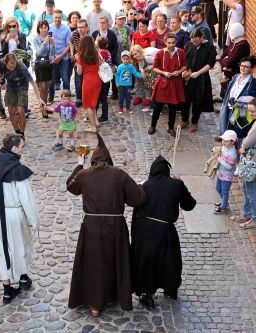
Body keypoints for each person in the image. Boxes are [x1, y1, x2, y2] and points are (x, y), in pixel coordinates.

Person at [67, 133, 146, 317]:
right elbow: (138, 199)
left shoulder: (84, 174)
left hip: (92, 227)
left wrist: (79, 163)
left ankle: (95, 304)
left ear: (93, 160)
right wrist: (142, 186)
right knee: (113, 260)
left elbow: (71, 187)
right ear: (109, 160)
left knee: (94, 263)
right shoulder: (119, 174)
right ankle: (116, 295)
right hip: (115, 226)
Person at [0, 134, 40, 304]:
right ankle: (22, 279)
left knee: (1, 249)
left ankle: (8, 289)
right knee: (21, 245)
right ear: (14, 149)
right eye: (22, 147)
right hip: (15, 214)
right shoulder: (17, 170)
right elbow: (26, 199)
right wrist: (34, 220)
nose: (23, 150)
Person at [130, 155, 196, 308]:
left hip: (143, 230)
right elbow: (189, 205)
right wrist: (180, 183)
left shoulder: (144, 185)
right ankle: (168, 287)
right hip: (164, 229)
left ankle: (146, 293)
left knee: (145, 260)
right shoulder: (176, 185)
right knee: (167, 260)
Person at [231, 98, 256, 229]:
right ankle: (247, 214)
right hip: (255, 159)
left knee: (251, 191)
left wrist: (242, 148)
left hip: (253, 161)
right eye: (248, 111)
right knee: (246, 188)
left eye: (252, 111)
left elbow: (247, 142)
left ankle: (255, 219)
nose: (249, 114)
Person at [0, 53, 46, 138]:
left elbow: (33, 83)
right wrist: (1, 83)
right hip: (11, 86)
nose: (12, 69)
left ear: (16, 61)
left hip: (22, 86)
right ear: (5, 63)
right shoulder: (1, 63)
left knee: (20, 110)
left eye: (13, 66)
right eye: (9, 67)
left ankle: (22, 134)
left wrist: (39, 99)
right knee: (11, 110)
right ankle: (17, 130)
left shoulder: (21, 67)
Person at [149, 32, 187, 136]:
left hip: (176, 83)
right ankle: (153, 126)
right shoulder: (160, 53)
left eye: (173, 42)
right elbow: (155, 67)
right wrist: (163, 72)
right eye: (169, 43)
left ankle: (170, 128)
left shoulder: (181, 52)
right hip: (163, 82)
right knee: (158, 107)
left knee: (173, 107)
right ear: (165, 42)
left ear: (176, 42)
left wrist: (179, 72)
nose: (171, 45)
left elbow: (185, 65)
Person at [181, 29, 217, 132]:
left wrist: (197, 73)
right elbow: (186, 59)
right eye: (192, 41)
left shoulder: (210, 47)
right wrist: (186, 71)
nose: (194, 43)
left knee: (198, 100)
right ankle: (184, 119)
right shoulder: (189, 44)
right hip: (189, 76)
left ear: (202, 37)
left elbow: (210, 64)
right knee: (185, 99)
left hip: (201, 78)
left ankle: (194, 122)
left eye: (196, 41)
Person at [219, 56, 256, 140]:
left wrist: (239, 103)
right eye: (242, 66)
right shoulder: (235, 77)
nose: (243, 68)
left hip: (241, 113)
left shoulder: (253, 83)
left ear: (251, 69)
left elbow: (253, 99)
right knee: (228, 131)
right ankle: (226, 144)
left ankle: (238, 150)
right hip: (229, 108)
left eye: (246, 67)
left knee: (239, 134)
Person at [76, 35, 102, 133]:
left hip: (88, 81)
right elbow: (100, 64)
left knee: (87, 104)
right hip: (97, 79)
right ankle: (96, 121)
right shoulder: (96, 53)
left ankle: (92, 126)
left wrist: (77, 63)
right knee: (93, 102)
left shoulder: (81, 56)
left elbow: (79, 72)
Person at [219, 23, 250, 98]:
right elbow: (222, 57)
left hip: (235, 78)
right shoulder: (234, 43)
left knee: (231, 100)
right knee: (225, 99)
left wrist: (226, 63)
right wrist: (225, 65)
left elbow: (229, 63)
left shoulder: (241, 46)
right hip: (228, 77)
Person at [32, 20, 55, 117]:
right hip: (40, 65)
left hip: (48, 65)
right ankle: (43, 108)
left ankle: (45, 106)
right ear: (39, 29)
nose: (44, 29)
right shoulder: (36, 39)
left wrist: (53, 44)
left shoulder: (50, 38)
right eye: (41, 27)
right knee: (42, 87)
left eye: (45, 27)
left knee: (47, 87)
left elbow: (52, 53)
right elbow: (38, 53)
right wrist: (45, 43)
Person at [48, 10, 72, 104]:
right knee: (51, 80)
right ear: (53, 17)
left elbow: (68, 45)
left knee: (66, 79)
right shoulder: (49, 27)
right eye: (56, 17)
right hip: (52, 57)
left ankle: (67, 100)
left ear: (62, 18)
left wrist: (61, 56)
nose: (57, 19)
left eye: (59, 17)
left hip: (64, 57)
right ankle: (51, 98)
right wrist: (54, 56)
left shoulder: (66, 29)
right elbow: (48, 43)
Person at [214, 130, 238, 215]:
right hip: (220, 174)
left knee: (225, 192)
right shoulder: (224, 147)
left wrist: (219, 159)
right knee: (218, 188)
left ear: (232, 142)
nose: (223, 142)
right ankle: (224, 202)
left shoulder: (232, 153)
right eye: (223, 140)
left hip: (226, 176)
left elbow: (229, 167)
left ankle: (224, 207)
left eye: (226, 140)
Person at [70, 19, 88, 108]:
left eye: (82, 27)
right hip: (77, 60)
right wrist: (72, 54)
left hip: (87, 61)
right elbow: (71, 43)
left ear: (86, 28)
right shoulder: (74, 34)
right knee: (78, 80)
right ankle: (78, 99)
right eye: (78, 27)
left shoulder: (89, 37)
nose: (80, 29)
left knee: (86, 81)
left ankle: (87, 99)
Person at [95, 37, 112, 121]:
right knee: (103, 97)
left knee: (101, 98)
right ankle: (95, 113)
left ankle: (104, 116)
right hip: (106, 78)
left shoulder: (100, 54)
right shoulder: (108, 52)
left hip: (101, 78)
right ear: (107, 45)